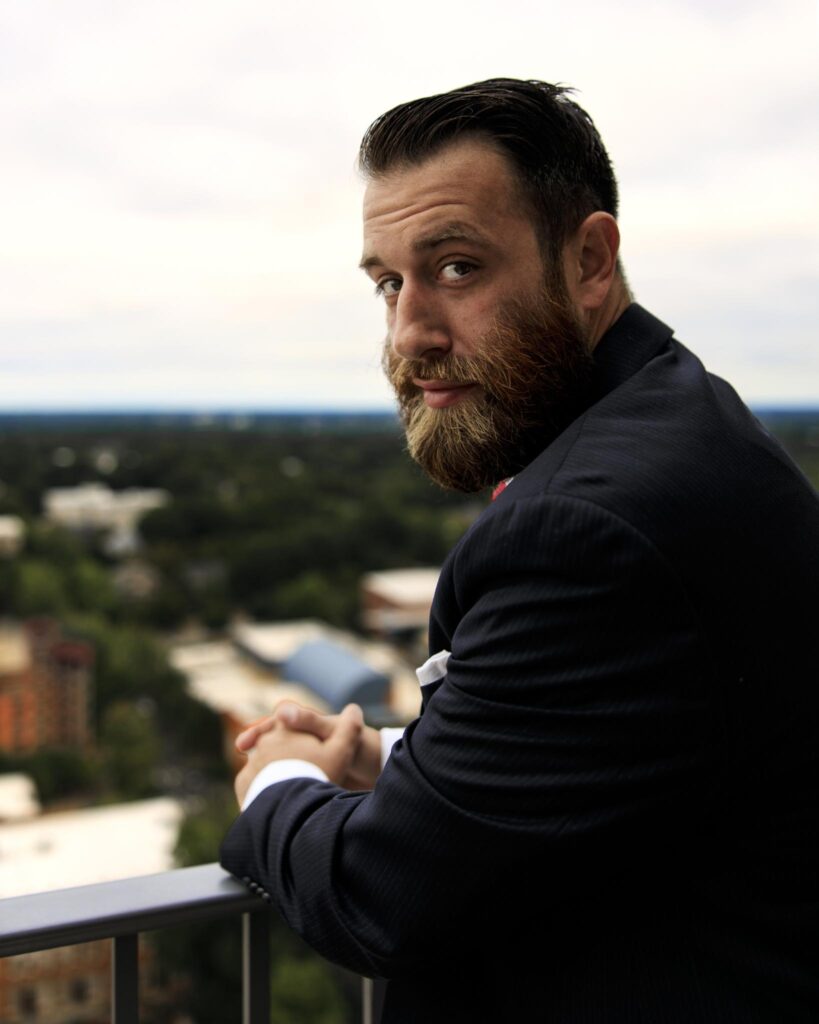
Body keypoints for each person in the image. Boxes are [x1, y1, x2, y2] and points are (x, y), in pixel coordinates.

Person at [220, 79, 819, 1022]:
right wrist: (402, 768)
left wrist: (278, 779)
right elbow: (648, 764)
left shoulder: (584, 530)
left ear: (588, 258)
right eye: (388, 283)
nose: (409, 332)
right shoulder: (681, 422)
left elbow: (380, 896)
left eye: (456, 267)